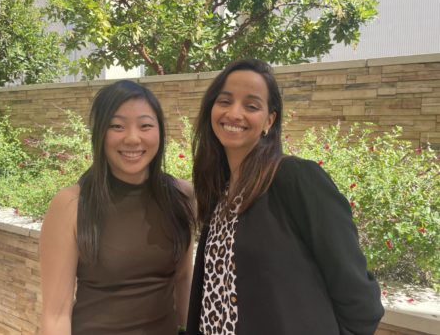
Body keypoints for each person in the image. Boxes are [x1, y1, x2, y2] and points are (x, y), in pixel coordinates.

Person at [187, 59, 384, 335]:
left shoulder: (296, 179)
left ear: (269, 120)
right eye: (225, 101)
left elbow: (357, 295)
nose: (234, 113)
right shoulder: (219, 193)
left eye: (251, 106)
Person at [39, 80, 195, 335]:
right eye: (117, 126)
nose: (133, 138)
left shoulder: (181, 196)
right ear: (99, 133)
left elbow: (183, 281)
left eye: (145, 126)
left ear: (160, 132)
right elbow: (55, 314)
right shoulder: (71, 204)